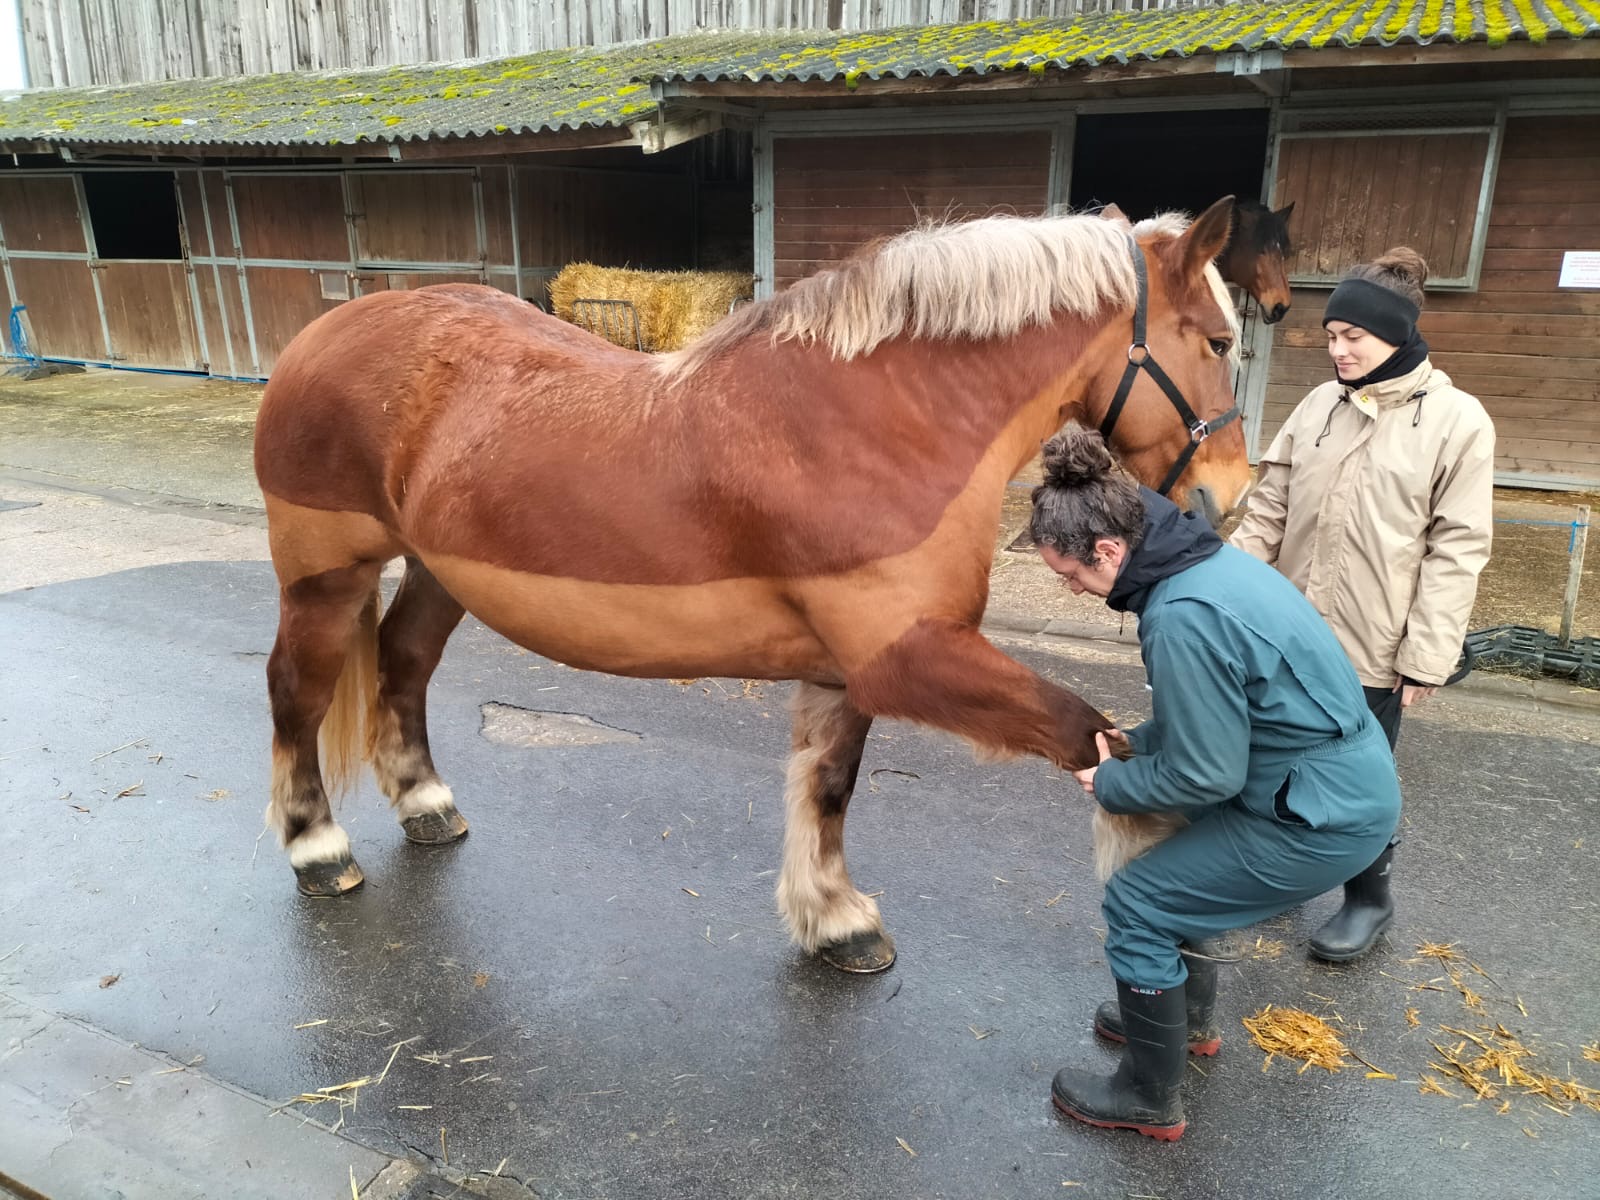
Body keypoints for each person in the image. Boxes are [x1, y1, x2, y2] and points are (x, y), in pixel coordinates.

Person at [1031, 429, 1401, 1141]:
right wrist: (1142, 740)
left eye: (1068, 575)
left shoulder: (1179, 616)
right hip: (1333, 787)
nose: (1070, 588)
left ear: (1108, 551)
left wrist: (1113, 783)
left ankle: (1148, 1095)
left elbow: (1207, 771)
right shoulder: (1206, 567)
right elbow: (1224, 711)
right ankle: (1184, 1022)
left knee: (1140, 899)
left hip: (1313, 818)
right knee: (1185, 874)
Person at [1230, 248, 1495, 962]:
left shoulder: (1456, 421)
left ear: (1398, 335)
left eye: (1353, 337)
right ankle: (1276, 877)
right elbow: (1267, 514)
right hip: (1287, 634)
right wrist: (1226, 599)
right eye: (1331, 335)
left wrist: (1426, 657)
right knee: (1268, 764)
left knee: (1354, 782)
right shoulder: (1318, 406)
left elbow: (1458, 549)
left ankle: (1369, 898)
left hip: (1374, 645)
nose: (1337, 350)